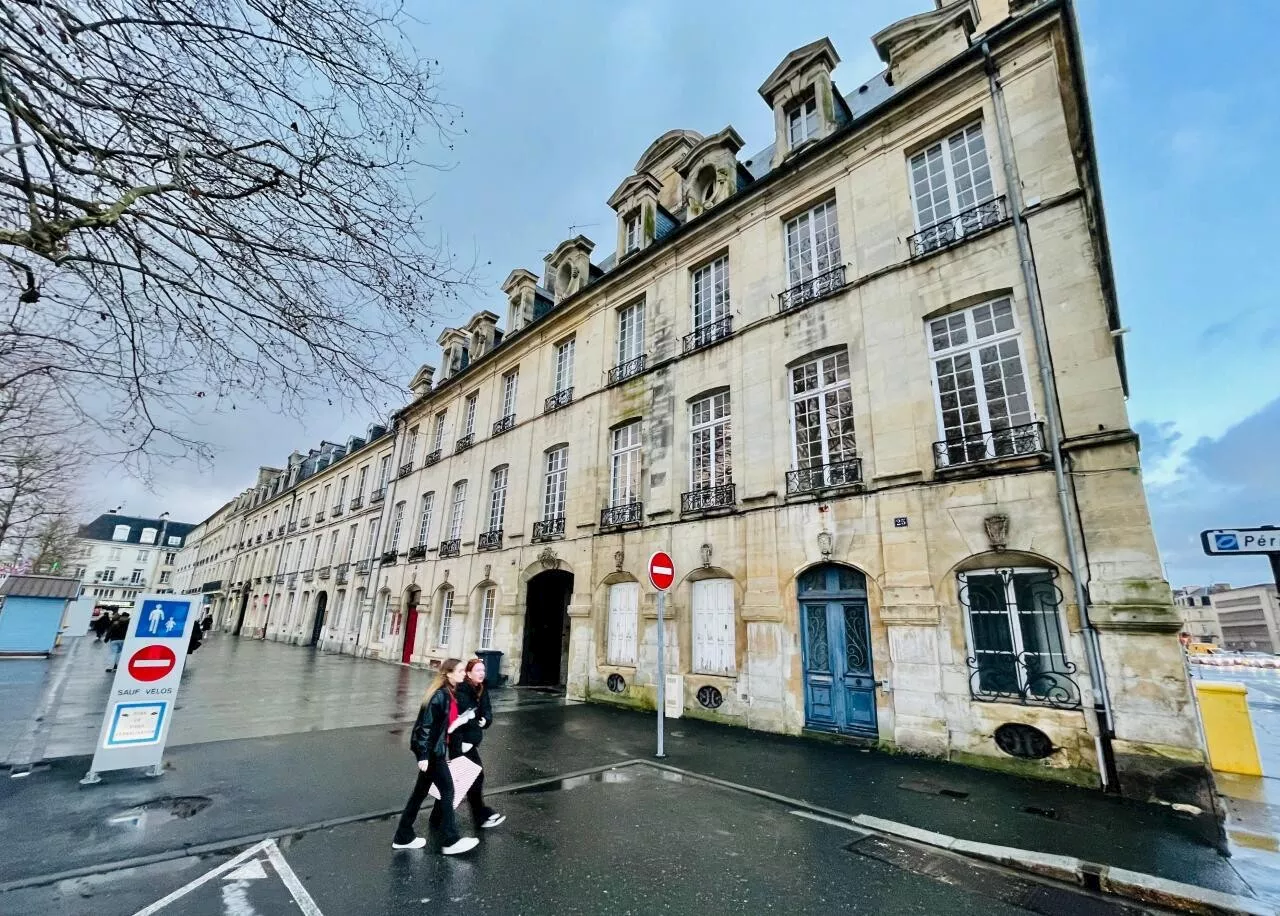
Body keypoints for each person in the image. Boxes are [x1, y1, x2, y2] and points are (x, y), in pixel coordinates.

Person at [392, 658, 480, 855]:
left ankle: (403, 835)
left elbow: (442, 725)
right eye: (459, 670)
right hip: (432, 753)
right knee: (448, 791)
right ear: (448, 673)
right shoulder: (439, 696)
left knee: (419, 794)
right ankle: (450, 839)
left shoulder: (449, 693)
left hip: (433, 750)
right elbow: (426, 727)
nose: (463, 674)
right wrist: (423, 755)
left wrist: (460, 721)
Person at [439, 657, 504, 830]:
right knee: (474, 776)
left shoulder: (482, 688)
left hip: (470, 741)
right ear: (469, 673)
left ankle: (437, 816)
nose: (482, 674)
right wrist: (462, 743)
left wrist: (486, 720)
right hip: (459, 742)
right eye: (478, 671)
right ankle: (480, 815)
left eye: (483, 670)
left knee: (457, 781)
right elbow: (461, 719)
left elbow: (487, 710)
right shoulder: (463, 690)